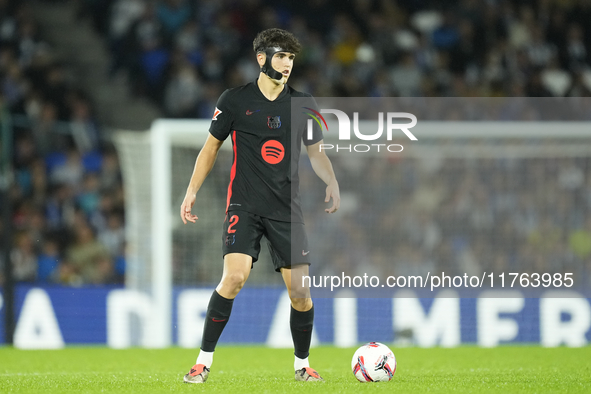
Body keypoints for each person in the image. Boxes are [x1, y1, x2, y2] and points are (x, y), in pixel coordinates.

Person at [179, 28, 340, 383]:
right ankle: (202, 362)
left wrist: (331, 179)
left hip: (287, 210)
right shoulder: (234, 100)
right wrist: (191, 190)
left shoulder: (304, 104)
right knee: (234, 278)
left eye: (292, 58)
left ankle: (302, 365)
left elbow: (316, 152)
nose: (287, 64)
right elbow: (210, 148)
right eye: (281, 56)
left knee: (300, 291)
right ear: (261, 58)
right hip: (244, 206)